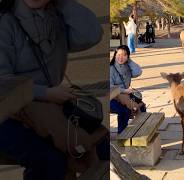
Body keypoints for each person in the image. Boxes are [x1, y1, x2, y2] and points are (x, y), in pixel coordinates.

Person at [0, 0, 107, 179]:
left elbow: (91, 34)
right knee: (50, 161)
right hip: (9, 115)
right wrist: (45, 93)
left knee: (103, 147)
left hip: (50, 109)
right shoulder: (5, 22)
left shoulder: (55, 16)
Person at [110, 45, 146, 133]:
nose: (120, 57)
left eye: (124, 55)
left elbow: (138, 72)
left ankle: (143, 129)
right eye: (118, 55)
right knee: (123, 110)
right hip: (110, 97)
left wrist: (129, 60)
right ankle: (121, 133)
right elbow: (109, 87)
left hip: (124, 96)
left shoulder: (127, 67)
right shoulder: (111, 69)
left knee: (142, 106)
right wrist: (124, 90)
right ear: (115, 55)